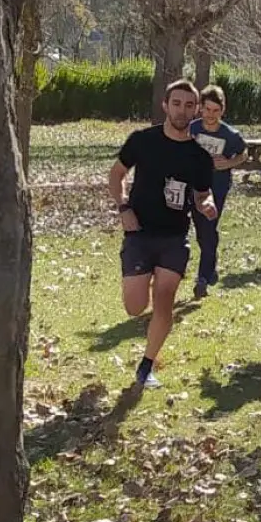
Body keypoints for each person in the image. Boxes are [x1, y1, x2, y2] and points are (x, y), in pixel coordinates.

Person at [108, 80, 218, 388]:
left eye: (188, 105)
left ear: (196, 110)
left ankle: (146, 365)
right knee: (134, 307)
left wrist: (207, 205)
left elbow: (202, 194)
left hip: (174, 237)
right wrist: (123, 207)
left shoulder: (199, 156)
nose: (182, 110)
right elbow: (116, 174)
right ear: (165, 106)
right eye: (177, 103)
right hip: (140, 233)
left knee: (165, 299)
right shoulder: (142, 141)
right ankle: (141, 281)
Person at [188, 85, 249, 298]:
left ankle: (202, 278)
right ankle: (211, 265)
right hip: (193, 185)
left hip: (217, 186)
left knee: (209, 225)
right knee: (201, 229)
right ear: (200, 108)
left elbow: (244, 153)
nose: (211, 115)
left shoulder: (230, 134)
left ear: (222, 110)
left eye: (216, 110)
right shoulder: (192, 129)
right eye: (207, 109)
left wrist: (228, 163)